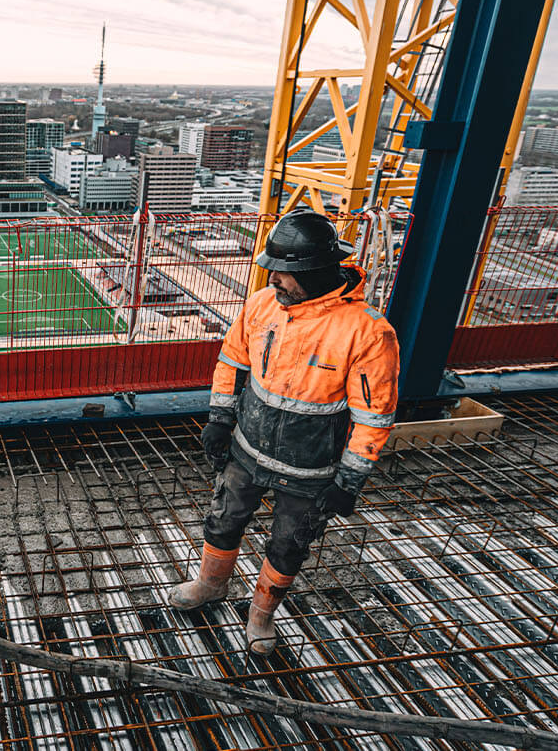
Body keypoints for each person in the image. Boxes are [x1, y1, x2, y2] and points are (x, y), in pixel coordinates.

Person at [167, 210, 399, 655]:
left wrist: (348, 481)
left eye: (286, 272)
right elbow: (233, 363)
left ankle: (261, 615)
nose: (275, 278)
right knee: (222, 519)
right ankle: (209, 586)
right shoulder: (262, 305)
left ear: (315, 272)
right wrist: (219, 419)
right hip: (248, 450)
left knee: (289, 544)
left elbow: (374, 415)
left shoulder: (368, 332)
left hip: (309, 468)